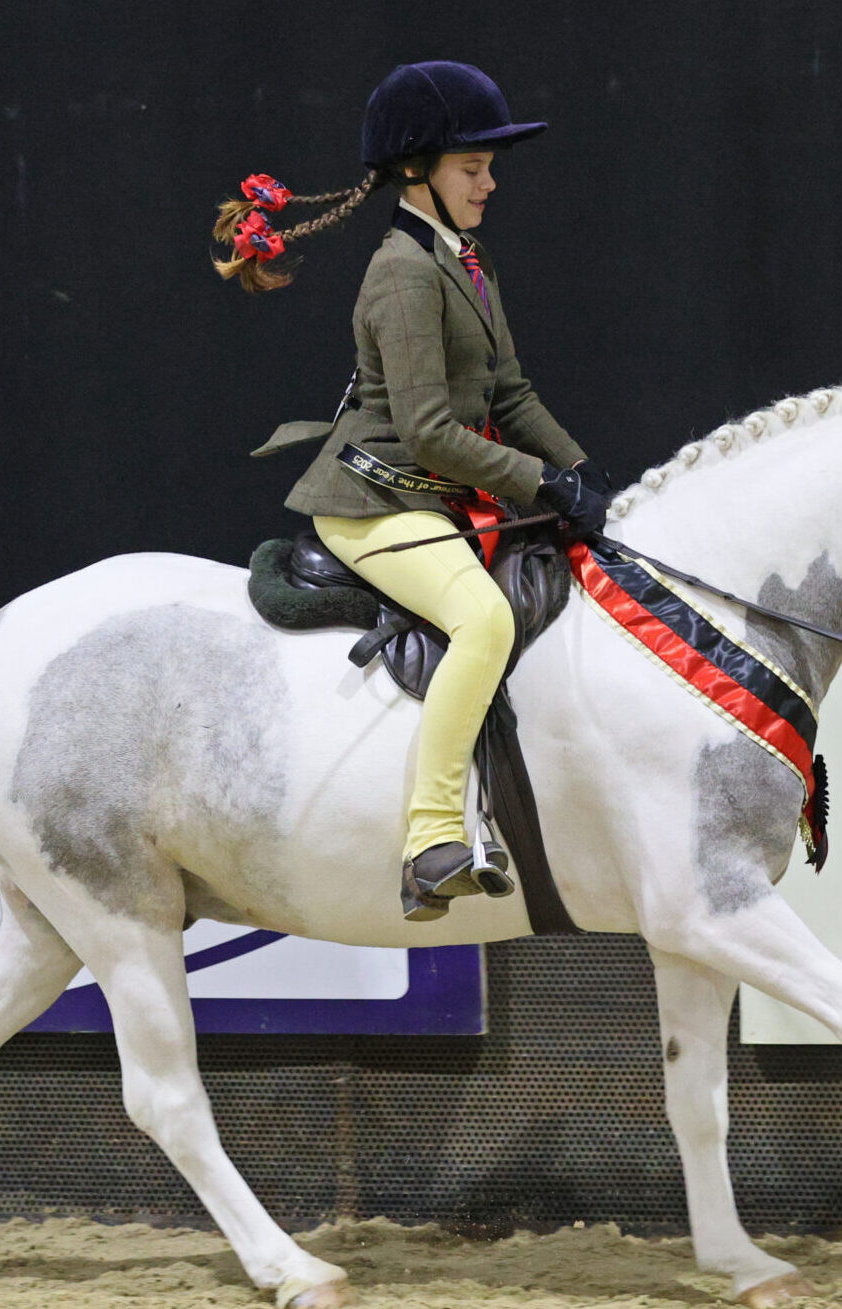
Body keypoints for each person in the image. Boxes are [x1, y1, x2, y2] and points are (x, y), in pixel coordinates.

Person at [212, 60, 613, 921]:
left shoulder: (465, 260)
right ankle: (432, 841)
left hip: (435, 494)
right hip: (374, 502)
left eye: (489, 168)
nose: (489, 183)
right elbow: (430, 429)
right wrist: (538, 480)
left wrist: (579, 471)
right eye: (473, 168)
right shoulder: (401, 270)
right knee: (484, 620)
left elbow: (510, 396)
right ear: (415, 169)